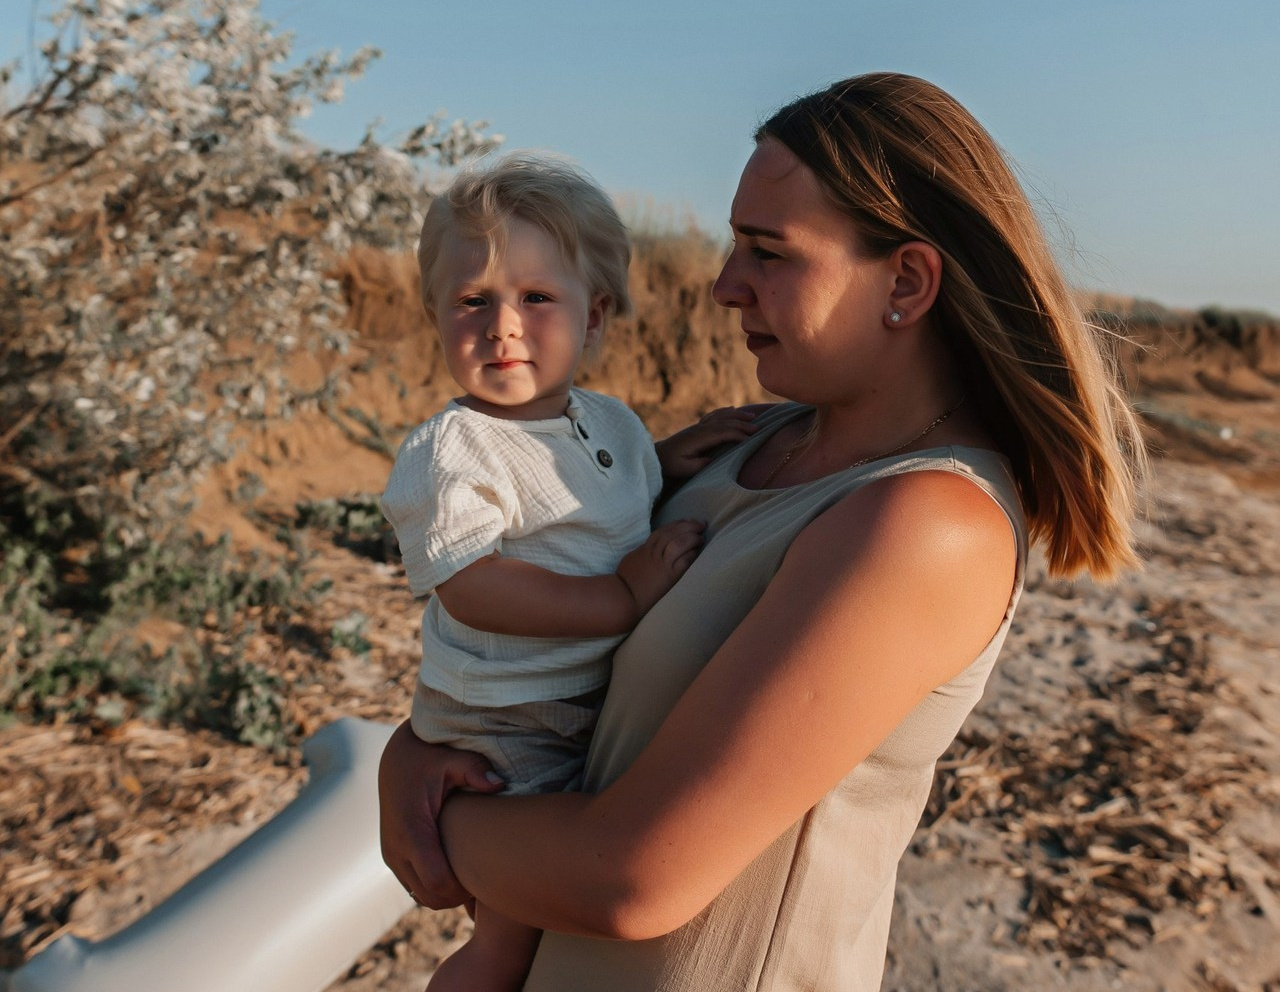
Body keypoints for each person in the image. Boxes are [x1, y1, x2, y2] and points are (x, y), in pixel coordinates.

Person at [379, 73, 1145, 991]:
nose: (722, 285)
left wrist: (425, 815)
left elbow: (631, 878)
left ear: (906, 280)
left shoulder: (926, 524)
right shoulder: (754, 447)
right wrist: (409, 752)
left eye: (767, 251)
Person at [380, 152, 758, 991]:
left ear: (594, 321)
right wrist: (618, 597)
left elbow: (586, 500)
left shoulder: (610, 423)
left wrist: (663, 458)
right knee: (506, 950)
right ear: (437, 316)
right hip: (503, 719)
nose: (503, 325)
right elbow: (469, 582)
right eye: (472, 300)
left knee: (544, 937)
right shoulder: (453, 449)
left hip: (568, 702)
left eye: (536, 298)